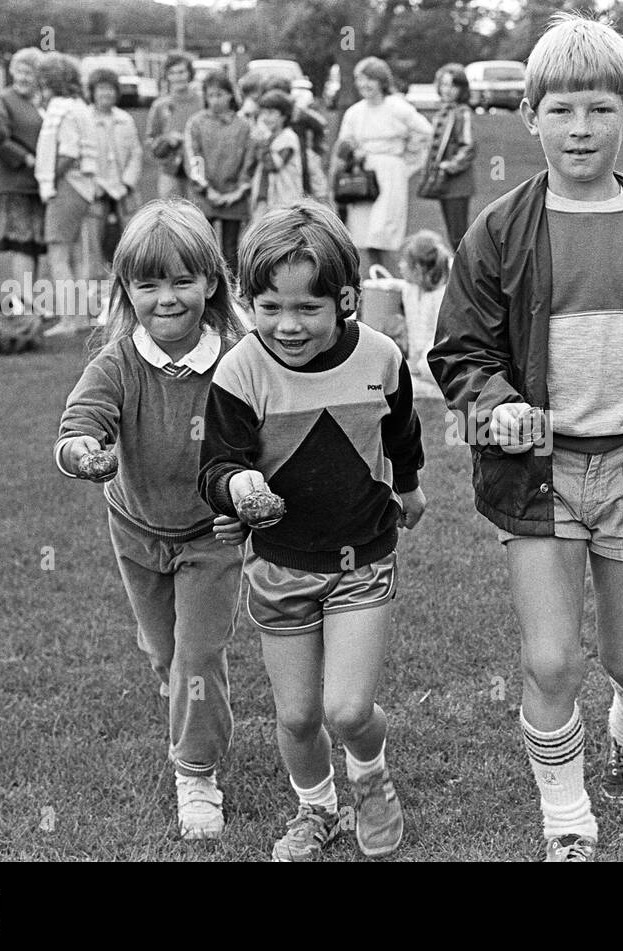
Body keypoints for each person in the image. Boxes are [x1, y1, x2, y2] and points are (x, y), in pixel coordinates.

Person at [427, 12, 623, 862]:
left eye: (599, 109)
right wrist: (495, 403)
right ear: (529, 118)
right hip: (540, 478)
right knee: (552, 660)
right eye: (561, 110)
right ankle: (567, 817)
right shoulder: (498, 230)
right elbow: (459, 348)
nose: (581, 128)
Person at [198, 202, 426, 862]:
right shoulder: (241, 370)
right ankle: (316, 809)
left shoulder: (382, 357)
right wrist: (238, 487)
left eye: (307, 309)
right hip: (278, 565)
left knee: (348, 710)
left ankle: (372, 779)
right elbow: (217, 462)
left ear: (347, 299)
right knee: (298, 715)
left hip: (362, 560)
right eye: (269, 307)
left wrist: (408, 488)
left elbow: (402, 432)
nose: (286, 326)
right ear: (247, 301)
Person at [54, 199, 249, 841]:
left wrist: (249, 504)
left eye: (182, 281)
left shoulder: (240, 360)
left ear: (212, 283)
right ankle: (180, 695)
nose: (166, 299)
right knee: (163, 651)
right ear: (127, 291)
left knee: (197, 655)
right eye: (148, 284)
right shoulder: (116, 364)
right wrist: (82, 452)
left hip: (210, 536)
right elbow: (81, 423)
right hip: (136, 532)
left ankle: (195, 774)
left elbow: (271, 437)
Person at [335, 57, 431, 276]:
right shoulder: (355, 112)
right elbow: (344, 143)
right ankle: (371, 287)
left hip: (390, 172)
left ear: (381, 81)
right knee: (364, 234)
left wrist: (405, 160)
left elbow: (424, 132)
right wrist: (352, 151)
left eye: (370, 80)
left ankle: (394, 285)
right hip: (362, 176)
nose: (364, 85)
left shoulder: (397, 107)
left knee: (385, 233)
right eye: (360, 80)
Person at [35, 53, 98, 337]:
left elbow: (68, 152)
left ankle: (69, 319)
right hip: (84, 188)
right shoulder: (81, 106)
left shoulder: (61, 109)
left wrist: (50, 178)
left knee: (58, 254)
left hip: (67, 188)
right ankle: (81, 316)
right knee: (76, 255)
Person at [0, 47, 45, 316]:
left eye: (29, 72)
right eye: (19, 71)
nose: (23, 77)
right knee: (20, 243)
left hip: (40, 184)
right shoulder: (3, 100)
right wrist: (25, 158)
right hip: (15, 182)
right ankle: (25, 303)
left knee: (35, 244)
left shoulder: (42, 100)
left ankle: (34, 302)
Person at [184, 70, 256, 274]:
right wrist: (207, 189)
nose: (215, 101)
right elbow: (193, 158)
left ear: (231, 95)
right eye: (210, 96)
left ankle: (232, 292)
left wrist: (239, 190)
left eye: (220, 95)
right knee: (201, 245)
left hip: (234, 196)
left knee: (231, 248)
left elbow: (249, 161)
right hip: (205, 195)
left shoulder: (243, 126)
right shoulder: (196, 123)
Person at [86, 68, 142, 272]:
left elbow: (136, 153)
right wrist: (96, 184)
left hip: (123, 191)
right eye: (101, 89)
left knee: (131, 242)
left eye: (110, 89)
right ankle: (96, 288)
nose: (105, 94)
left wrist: (127, 182)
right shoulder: (84, 119)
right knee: (94, 246)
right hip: (96, 191)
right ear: (92, 92)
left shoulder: (125, 119)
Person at [421, 63, 476, 251]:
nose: (447, 90)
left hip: (458, 182)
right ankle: (459, 272)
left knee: (458, 234)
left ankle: (467, 275)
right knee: (452, 233)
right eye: (444, 85)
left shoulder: (463, 113)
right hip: (444, 183)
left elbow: (468, 147)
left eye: (453, 85)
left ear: (461, 88)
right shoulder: (442, 112)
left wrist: (449, 166)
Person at [398, 229, 451, 401]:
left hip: (438, 357)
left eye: (405, 262)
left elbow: (441, 337)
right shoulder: (409, 290)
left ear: (418, 269)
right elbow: (414, 333)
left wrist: (420, 362)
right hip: (418, 363)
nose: (400, 266)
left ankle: (434, 389)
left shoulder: (443, 294)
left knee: (428, 363)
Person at [146, 53, 199, 200]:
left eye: (181, 72)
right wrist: (166, 140)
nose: (178, 77)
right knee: (171, 213)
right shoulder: (160, 106)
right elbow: (150, 141)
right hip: (170, 169)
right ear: (167, 76)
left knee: (197, 214)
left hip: (197, 168)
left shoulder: (201, 102)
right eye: (172, 73)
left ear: (189, 73)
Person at [249, 90, 304, 215]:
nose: (266, 118)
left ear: (284, 115)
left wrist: (262, 141)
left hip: (285, 202)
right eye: (264, 113)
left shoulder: (288, 138)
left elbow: (272, 165)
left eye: (272, 113)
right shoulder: (267, 136)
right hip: (263, 199)